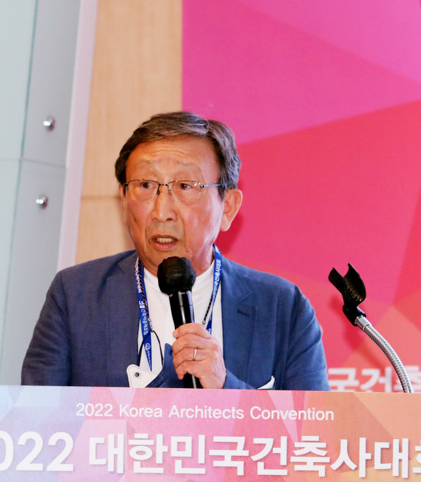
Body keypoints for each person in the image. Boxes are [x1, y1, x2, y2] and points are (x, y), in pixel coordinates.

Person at [22, 111, 328, 390]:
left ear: (228, 207)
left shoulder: (283, 308)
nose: (161, 212)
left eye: (185, 186)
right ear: (124, 200)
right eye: (145, 185)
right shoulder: (75, 296)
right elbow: (36, 421)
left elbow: (311, 430)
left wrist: (226, 388)